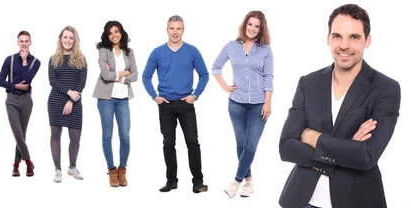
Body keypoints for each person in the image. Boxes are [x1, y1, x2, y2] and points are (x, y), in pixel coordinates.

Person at [278, 4, 401, 208]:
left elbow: (366, 156)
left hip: (357, 200)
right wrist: (347, 148)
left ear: (367, 40)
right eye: (337, 36)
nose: (344, 45)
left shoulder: (386, 88)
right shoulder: (308, 83)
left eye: (354, 37)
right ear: (328, 38)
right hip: (302, 199)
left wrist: (313, 137)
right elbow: (286, 148)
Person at [142, 15, 210, 193]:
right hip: (165, 105)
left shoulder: (192, 51)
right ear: (167, 30)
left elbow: (204, 74)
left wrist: (195, 95)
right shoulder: (157, 52)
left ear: (183, 30)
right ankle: (171, 180)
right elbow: (145, 76)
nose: (175, 32)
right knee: (168, 143)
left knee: (192, 143)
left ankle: (198, 182)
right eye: (172, 28)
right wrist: (154, 96)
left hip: (186, 105)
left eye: (178, 28)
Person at [211, 10, 274, 198]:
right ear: (244, 24)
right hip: (236, 103)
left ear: (261, 29)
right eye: (250, 24)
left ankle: (236, 181)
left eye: (257, 26)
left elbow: (268, 77)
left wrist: (268, 103)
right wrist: (225, 87)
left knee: (251, 145)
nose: (253, 28)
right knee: (241, 143)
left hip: (258, 104)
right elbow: (216, 67)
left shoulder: (265, 49)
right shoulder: (232, 46)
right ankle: (249, 182)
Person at [92, 20, 138, 187]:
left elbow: (135, 75)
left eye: (116, 31)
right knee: (107, 136)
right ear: (107, 35)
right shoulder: (104, 50)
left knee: (125, 136)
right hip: (106, 99)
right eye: (110, 32)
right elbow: (105, 74)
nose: (114, 35)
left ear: (121, 32)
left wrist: (120, 75)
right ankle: (111, 170)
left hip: (123, 99)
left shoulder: (129, 51)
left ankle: (122, 170)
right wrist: (124, 73)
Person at [47, 25, 88, 183]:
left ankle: (72, 167)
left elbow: (81, 83)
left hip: (75, 103)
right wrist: (68, 92)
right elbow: (52, 81)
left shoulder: (81, 59)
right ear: (60, 39)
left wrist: (71, 99)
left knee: (75, 138)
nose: (68, 40)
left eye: (71, 37)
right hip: (56, 101)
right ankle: (58, 170)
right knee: (55, 135)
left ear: (75, 40)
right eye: (65, 37)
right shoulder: (53, 59)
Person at [0, 30, 41, 177]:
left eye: (26, 41)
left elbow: (26, 79)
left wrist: (23, 61)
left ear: (30, 42)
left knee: (22, 134)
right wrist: (15, 86)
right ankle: (29, 162)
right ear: (17, 42)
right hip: (11, 100)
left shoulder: (35, 62)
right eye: (21, 41)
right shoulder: (8, 60)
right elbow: (0, 81)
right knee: (17, 133)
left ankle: (16, 165)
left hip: (27, 100)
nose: (24, 44)